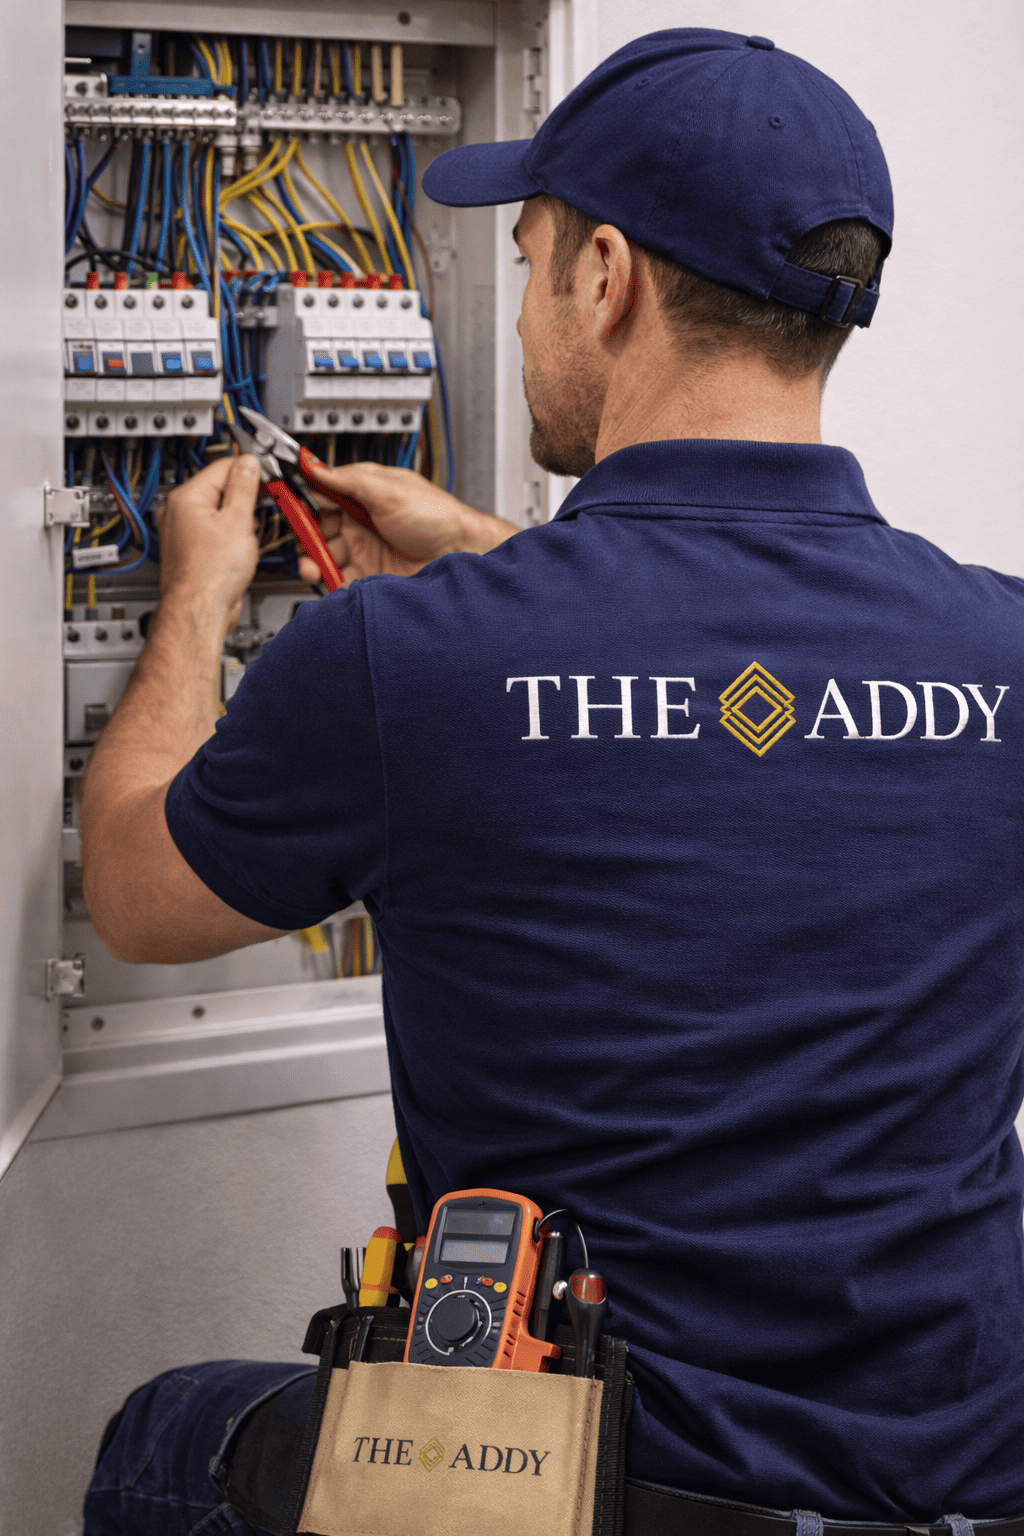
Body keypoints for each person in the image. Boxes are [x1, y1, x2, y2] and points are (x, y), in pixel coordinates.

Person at [82, 27, 1024, 1536]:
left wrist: (196, 594)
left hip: (603, 1486)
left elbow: (134, 894)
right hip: (964, 1485)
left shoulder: (402, 665)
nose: (518, 319)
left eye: (523, 263)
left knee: (161, 1429)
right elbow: (755, 720)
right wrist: (499, 561)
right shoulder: (1004, 648)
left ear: (605, 274)